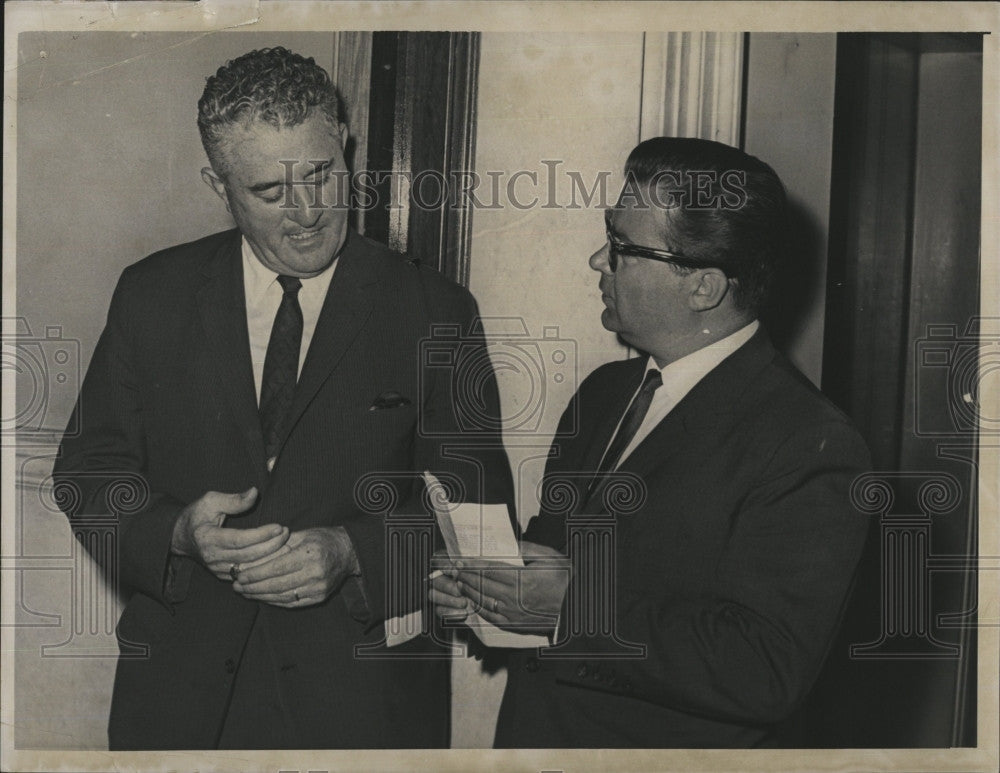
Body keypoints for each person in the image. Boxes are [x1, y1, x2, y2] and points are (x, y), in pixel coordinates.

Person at [53, 46, 512, 750]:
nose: (307, 213)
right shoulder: (152, 295)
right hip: (181, 702)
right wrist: (178, 532)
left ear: (347, 147)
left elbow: (477, 503)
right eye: (270, 192)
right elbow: (88, 473)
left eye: (323, 175)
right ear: (219, 184)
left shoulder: (435, 309)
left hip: (361, 706)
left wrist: (353, 550)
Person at [431, 137, 871, 748]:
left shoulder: (808, 443)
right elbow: (556, 559)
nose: (596, 262)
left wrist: (572, 608)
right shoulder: (605, 392)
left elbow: (767, 669)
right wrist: (490, 592)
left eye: (621, 248)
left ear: (704, 287)